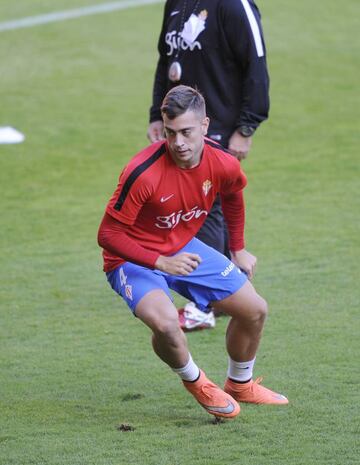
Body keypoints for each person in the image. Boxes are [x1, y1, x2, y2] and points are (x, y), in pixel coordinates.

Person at [98, 86, 288, 419]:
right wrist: (159, 262)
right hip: (132, 257)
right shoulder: (142, 173)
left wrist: (238, 248)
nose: (179, 143)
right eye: (170, 133)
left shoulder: (222, 163)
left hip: (180, 247)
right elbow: (108, 234)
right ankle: (196, 381)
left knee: (254, 310)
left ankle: (240, 384)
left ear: (204, 125)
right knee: (167, 324)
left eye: (186, 132)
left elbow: (232, 195)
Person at [147, 0, 270, 327]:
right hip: (182, 128)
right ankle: (232, 288)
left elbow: (256, 62)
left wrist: (246, 127)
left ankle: (206, 304)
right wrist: (157, 115)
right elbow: (167, 60)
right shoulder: (177, 2)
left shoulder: (233, 5)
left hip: (219, 127)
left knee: (207, 208)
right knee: (199, 207)